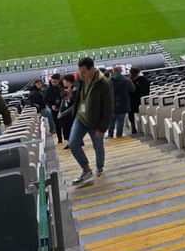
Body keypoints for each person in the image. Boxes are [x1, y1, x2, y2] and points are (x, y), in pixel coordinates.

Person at [67, 57, 114, 185]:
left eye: (83, 72)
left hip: (95, 122)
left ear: (92, 69)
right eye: (79, 72)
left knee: (98, 146)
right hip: (80, 118)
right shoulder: (81, 79)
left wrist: (102, 128)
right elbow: (80, 95)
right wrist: (72, 95)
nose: (81, 75)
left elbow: (108, 108)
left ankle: (100, 168)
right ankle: (86, 169)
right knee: (73, 144)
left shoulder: (104, 83)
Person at [108, 66, 135, 138]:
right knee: (120, 121)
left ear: (113, 71)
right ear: (121, 71)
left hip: (112, 105)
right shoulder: (127, 80)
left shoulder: (109, 81)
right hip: (123, 104)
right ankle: (119, 136)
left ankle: (110, 135)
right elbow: (133, 89)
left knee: (111, 121)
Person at [57, 75, 77, 148]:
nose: (63, 82)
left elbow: (75, 105)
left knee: (73, 128)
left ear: (68, 81)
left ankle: (75, 142)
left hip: (73, 113)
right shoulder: (65, 89)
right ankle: (71, 142)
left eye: (64, 81)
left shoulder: (75, 89)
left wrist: (63, 113)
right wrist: (60, 111)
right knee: (66, 128)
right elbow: (63, 100)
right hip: (66, 113)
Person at [128, 67, 150, 133]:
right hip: (143, 103)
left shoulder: (131, 81)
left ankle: (134, 131)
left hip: (133, 104)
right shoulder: (144, 80)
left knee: (133, 119)